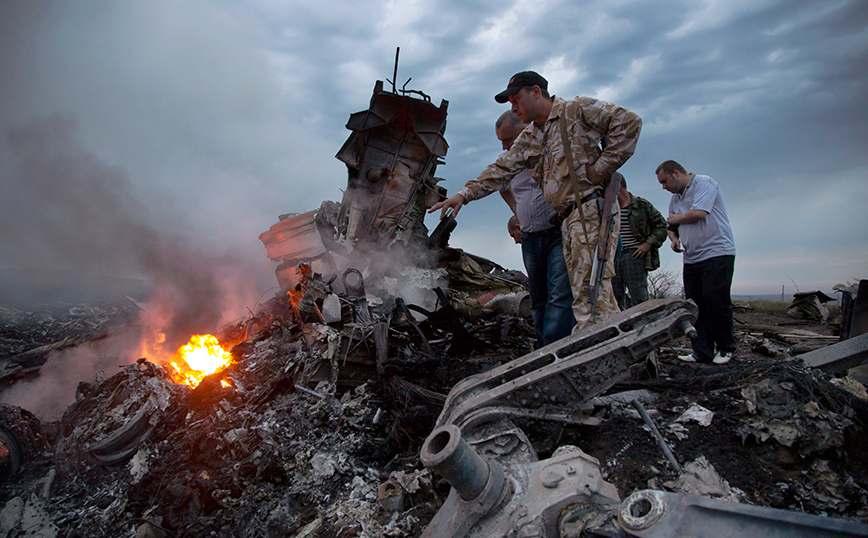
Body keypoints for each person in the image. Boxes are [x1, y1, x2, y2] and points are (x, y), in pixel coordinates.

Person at [430, 71, 642, 331]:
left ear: (536, 92)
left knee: (590, 296)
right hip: (568, 220)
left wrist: (599, 169)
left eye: (516, 98)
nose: (513, 107)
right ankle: (619, 354)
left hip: (589, 211)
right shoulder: (531, 136)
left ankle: (588, 359)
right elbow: (500, 169)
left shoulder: (575, 110)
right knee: (597, 298)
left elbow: (629, 122)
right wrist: (464, 194)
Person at [496, 111, 574, 347]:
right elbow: (502, 186)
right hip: (530, 236)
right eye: (501, 141)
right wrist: (518, 212)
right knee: (538, 298)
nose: (506, 145)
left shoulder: (548, 149)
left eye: (509, 139)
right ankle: (543, 349)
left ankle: (556, 351)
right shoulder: (506, 158)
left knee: (560, 295)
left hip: (558, 234)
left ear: (525, 130)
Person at [656, 160, 736, 365]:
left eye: (664, 181)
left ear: (676, 173)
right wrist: (673, 239)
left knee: (715, 300)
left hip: (717, 252)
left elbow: (698, 213)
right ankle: (702, 351)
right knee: (695, 304)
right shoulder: (676, 198)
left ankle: (726, 348)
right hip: (692, 257)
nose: (663, 187)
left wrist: (675, 219)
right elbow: (670, 225)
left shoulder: (704, 184)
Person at [612, 176, 668, 310]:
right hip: (612, 255)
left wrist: (648, 243)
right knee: (614, 298)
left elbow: (662, 226)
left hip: (634, 254)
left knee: (639, 297)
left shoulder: (641, 205)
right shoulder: (608, 207)